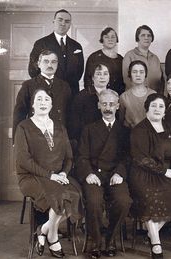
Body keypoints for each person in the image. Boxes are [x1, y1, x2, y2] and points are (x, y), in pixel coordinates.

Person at [15, 88, 83, 258]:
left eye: (46, 100)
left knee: (74, 194)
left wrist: (64, 174)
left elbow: (69, 157)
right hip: (31, 177)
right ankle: (53, 238)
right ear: (32, 105)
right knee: (60, 195)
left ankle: (44, 229)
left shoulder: (60, 127)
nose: (43, 103)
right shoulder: (23, 127)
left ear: (52, 105)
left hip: (57, 177)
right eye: (39, 99)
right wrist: (50, 175)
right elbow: (24, 161)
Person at [76, 89, 132, 259]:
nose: (108, 108)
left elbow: (128, 157)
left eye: (111, 104)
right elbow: (82, 156)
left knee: (124, 202)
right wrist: (88, 174)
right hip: (95, 175)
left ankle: (110, 238)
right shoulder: (89, 129)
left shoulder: (125, 131)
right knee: (93, 201)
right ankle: (95, 240)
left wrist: (120, 173)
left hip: (115, 175)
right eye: (104, 104)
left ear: (117, 106)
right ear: (98, 106)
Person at [129, 93, 171, 259]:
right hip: (144, 173)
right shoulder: (139, 130)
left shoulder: (170, 128)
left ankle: (152, 232)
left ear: (165, 110)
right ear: (147, 109)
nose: (157, 109)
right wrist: (165, 172)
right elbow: (141, 158)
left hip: (166, 173)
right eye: (154, 106)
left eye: (161, 106)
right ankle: (156, 243)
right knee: (150, 195)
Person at [13, 50, 71, 138]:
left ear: (57, 64)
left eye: (53, 62)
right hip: (35, 135)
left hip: (59, 136)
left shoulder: (65, 86)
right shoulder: (28, 85)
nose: (50, 65)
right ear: (39, 64)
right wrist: (16, 139)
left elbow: (70, 114)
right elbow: (19, 114)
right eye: (46, 61)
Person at [28, 9, 84, 97]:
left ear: (70, 25)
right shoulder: (41, 43)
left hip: (71, 93)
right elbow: (33, 70)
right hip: (48, 93)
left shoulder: (76, 46)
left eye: (67, 21)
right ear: (53, 21)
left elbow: (79, 71)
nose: (63, 23)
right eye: (60, 20)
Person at [69, 63, 110, 149]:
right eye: (98, 74)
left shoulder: (113, 95)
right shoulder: (81, 97)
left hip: (108, 142)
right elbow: (75, 125)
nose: (102, 77)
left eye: (105, 74)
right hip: (88, 143)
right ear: (92, 77)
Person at [123, 25, 164, 93]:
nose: (146, 38)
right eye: (143, 35)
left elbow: (161, 81)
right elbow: (127, 80)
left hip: (154, 98)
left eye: (149, 35)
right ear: (137, 38)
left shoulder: (155, 58)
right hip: (135, 97)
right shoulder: (129, 56)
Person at [84, 27, 125, 95]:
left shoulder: (121, 59)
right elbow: (87, 80)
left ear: (116, 40)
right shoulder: (94, 57)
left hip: (117, 97)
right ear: (102, 40)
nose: (110, 39)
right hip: (98, 97)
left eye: (113, 37)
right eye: (106, 37)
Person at [119, 60, 156, 128]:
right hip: (130, 133)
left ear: (145, 74)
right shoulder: (124, 97)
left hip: (149, 133)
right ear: (130, 74)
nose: (138, 75)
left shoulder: (153, 94)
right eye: (134, 72)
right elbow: (121, 121)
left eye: (141, 72)